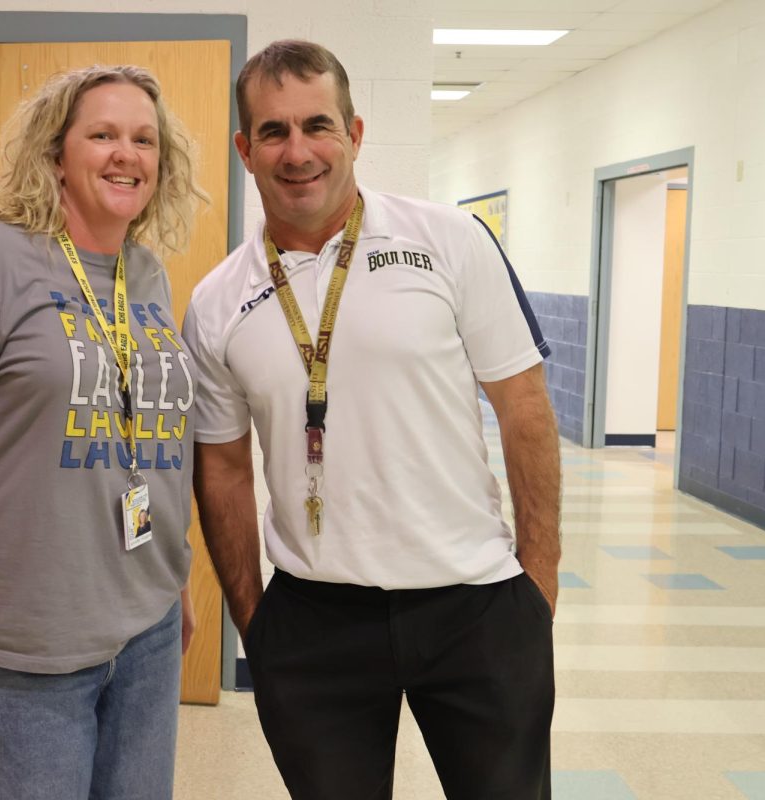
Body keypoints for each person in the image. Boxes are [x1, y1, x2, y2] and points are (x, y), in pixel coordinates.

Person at [183, 40, 561, 800]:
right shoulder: (218, 300)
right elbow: (221, 465)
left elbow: (523, 407)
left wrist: (537, 583)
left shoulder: (447, 241)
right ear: (244, 149)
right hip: (314, 619)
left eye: (317, 125)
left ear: (354, 134)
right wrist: (255, 620)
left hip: (475, 605)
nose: (298, 152)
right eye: (273, 132)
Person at [0, 64, 205, 799]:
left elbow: (144, 435)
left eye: (144, 139)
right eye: (104, 135)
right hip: (16, 659)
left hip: (143, 635)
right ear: (55, 153)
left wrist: (170, 579)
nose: (128, 154)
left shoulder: (144, 273)